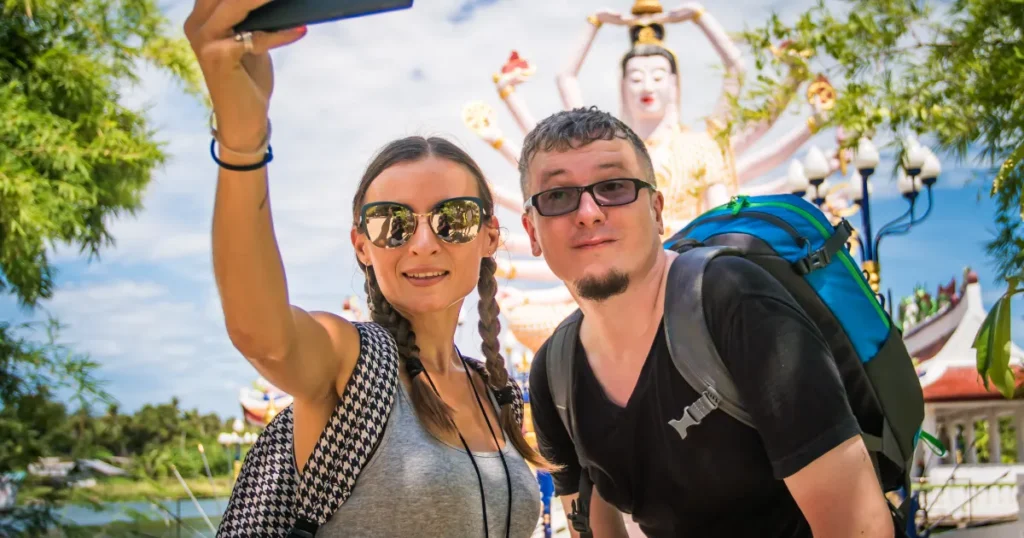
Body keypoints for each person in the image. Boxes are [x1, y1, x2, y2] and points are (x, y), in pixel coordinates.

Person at [183, 2, 547, 536]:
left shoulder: (499, 393)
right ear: (361, 244)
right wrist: (243, 141)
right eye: (392, 223)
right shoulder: (350, 362)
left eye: (454, 218)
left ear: (490, 235)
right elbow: (264, 337)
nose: (423, 243)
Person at [519, 107, 896, 537]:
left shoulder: (733, 301)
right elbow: (591, 528)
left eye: (614, 186)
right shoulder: (555, 374)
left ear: (658, 212)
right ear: (532, 232)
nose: (588, 212)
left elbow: (859, 528)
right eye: (558, 196)